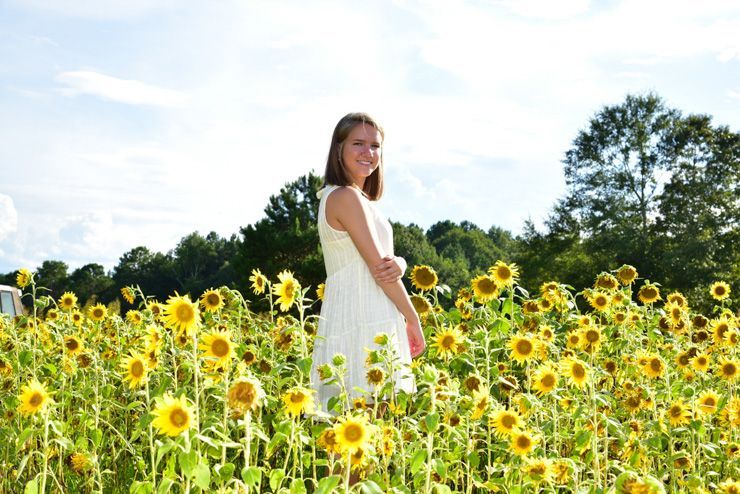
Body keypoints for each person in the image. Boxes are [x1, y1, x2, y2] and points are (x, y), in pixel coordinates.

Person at [310, 112, 426, 412]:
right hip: (362, 317)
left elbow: (381, 260)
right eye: (358, 143)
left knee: (362, 433)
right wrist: (412, 318)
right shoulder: (345, 197)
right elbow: (380, 271)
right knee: (355, 429)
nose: (368, 153)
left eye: (375, 146)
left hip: (363, 312)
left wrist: (399, 261)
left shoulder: (354, 198)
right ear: (339, 150)